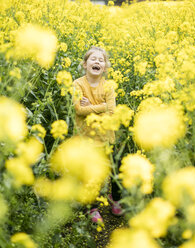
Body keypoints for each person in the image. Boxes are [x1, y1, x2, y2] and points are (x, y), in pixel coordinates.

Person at [73, 46, 123, 224]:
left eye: (101, 60)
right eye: (93, 59)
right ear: (85, 64)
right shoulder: (78, 84)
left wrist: (91, 108)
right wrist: (102, 106)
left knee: (116, 169)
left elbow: (112, 110)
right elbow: (78, 110)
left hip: (106, 137)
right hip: (85, 138)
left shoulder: (108, 86)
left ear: (105, 67)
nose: (97, 62)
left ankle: (115, 198)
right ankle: (92, 207)